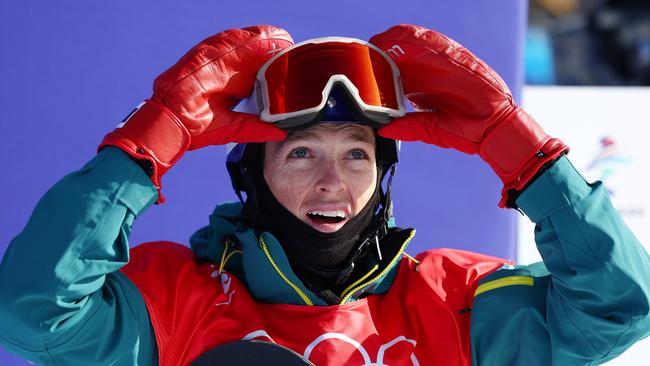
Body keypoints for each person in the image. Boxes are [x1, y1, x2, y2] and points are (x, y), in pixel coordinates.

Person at [0, 24, 649, 366]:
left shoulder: (453, 301)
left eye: (357, 154)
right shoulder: (176, 299)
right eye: (301, 151)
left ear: (384, 176)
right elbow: (32, 313)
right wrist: (152, 138)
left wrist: (521, 151)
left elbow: (619, 308)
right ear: (252, 173)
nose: (332, 182)